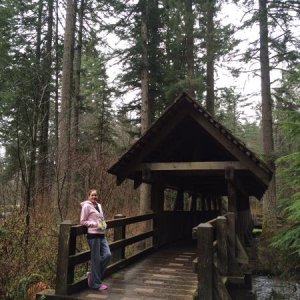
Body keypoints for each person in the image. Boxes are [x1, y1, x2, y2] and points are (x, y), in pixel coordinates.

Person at [80, 189, 111, 290]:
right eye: (92, 195)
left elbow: (101, 218)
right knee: (96, 259)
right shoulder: (86, 206)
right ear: (89, 196)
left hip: (102, 235)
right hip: (93, 235)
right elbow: (83, 221)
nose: (94, 197)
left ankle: (92, 275)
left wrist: (104, 224)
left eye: (95, 195)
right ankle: (96, 284)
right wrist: (95, 225)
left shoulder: (99, 205)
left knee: (108, 255)